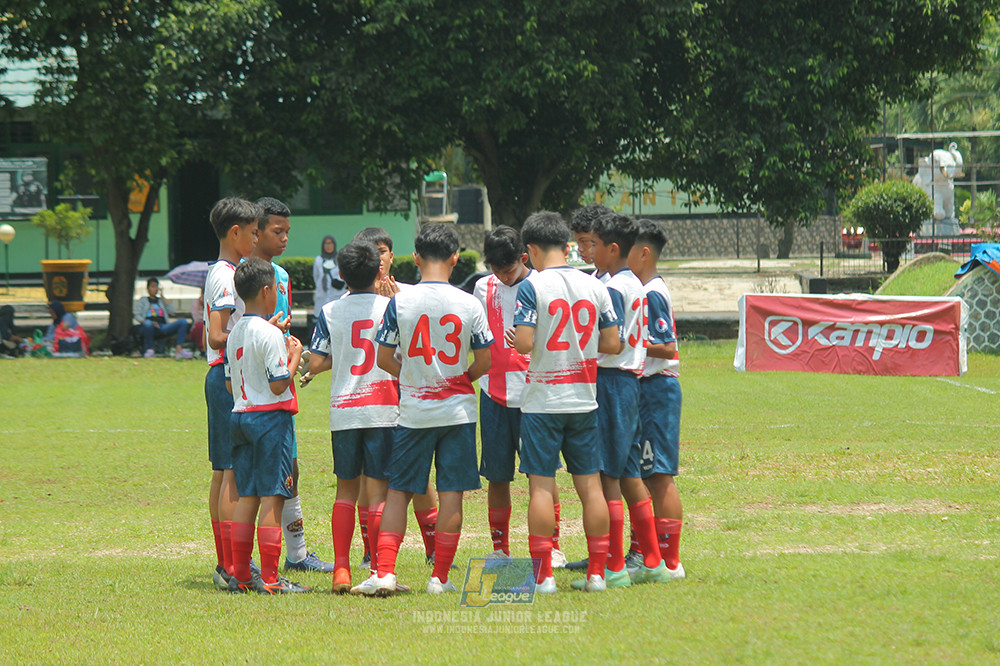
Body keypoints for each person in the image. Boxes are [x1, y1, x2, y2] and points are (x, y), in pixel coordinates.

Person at [355, 223, 493, 596]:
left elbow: (384, 357)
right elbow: (485, 360)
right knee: (451, 493)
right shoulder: (470, 303)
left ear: (415, 258)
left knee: (399, 491)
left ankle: (384, 571)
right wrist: (462, 378)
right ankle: (440, 578)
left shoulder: (401, 301)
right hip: (458, 412)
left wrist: (413, 375)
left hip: (414, 411)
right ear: (456, 259)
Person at [511, 211, 619, 593]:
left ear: (530, 250)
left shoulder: (532, 286)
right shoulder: (595, 285)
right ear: (567, 245)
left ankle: (544, 577)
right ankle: (597, 574)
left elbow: (524, 343)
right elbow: (612, 343)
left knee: (541, 487)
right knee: (591, 487)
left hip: (543, 402)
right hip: (584, 399)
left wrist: (518, 338)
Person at [305, 240, 399, 593]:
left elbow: (316, 362)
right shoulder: (391, 307)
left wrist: (340, 356)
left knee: (346, 491)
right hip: (383, 409)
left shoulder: (330, 310)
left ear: (341, 274)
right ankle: (378, 568)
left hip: (344, 412)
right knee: (378, 493)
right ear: (378, 272)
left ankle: (341, 569)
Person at [350, 226, 444, 570]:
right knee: (367, 477)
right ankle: (368, 551)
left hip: (404, 397)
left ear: (392, 256)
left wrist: (394, 304)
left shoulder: (410, 295)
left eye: (383, 251)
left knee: (417, 474)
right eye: (371, 252)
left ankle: (433, 548)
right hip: (367, 400)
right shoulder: (352, 297)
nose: (378, 259)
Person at [472, 226, 567, 566]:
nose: (502, 276)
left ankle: (552, 546)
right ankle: (500, 549)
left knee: (541, 475)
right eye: (496, 270)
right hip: (494, 394)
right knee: (497, 476)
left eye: (509, 270)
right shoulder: (482, 287)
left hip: (534, 395)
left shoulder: (542, 286)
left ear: (524, 258)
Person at [252, 196, 334, 574]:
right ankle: (242, 560)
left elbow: (282, 326)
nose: (285, 238)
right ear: (256, 232)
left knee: (290, 470)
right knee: (249, 478)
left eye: (288, 231)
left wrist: (293, 349)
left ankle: (297, 554)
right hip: (253, 386)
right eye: (277, 231)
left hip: (282, 380)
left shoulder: (282, 277)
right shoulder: (242, 275)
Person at [591, 212, 668, 586]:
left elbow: (613, 341)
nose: (590, 253)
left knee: (608, 474)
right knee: (629, 473)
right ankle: (653, 560)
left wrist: (577, 342)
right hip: (631, 381)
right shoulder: (635, 284)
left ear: (612, 248)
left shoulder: (614, 289)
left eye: (594, 245)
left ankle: (615, 565)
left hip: (611, 382)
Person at [224, 257, 310, 594]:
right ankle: (272, 579)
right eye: (275, 289)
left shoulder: (235, 333)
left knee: (247, 496)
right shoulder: (270, 333)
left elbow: (230, 384)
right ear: (265, 290)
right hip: (270, 420)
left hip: (240, 415)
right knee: (273, 496)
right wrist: (294, 356)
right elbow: (278, 384)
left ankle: (242, 575)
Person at [203, 197, 260, 590]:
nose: (256, 240)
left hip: (223, 374)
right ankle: (234, 566)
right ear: (235, 232)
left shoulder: (222, 271)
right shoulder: (226, 276)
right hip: (226, 375)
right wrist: (258, 331)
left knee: (223, 472)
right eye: (253, 233)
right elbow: (216, 333)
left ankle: (228, 564)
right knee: (231, 473)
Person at [627, 219, 686, 581]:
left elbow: (666, 347)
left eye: (627, 248)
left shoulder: (652, 293)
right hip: (646, 389)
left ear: (644, 253)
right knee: (645, 474)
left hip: (657, 389)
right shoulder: (645, 290)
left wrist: (628, 342)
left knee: (659, 475)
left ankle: (671, 561)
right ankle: (647, 554)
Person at [133, 277, 192, 358]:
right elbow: (137, 315)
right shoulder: (143, 300)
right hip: (148, 326)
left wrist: (162, 296)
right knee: (148, 324)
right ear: (148, 288)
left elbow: (171, 310)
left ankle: (179, 350)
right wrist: (147, 322)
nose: (155, 289)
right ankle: (150, 349)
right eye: (152, 286)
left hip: (162, 325)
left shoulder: (161, 301)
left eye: (156, 287)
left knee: (182, 322)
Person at [570, 203, 613, 282]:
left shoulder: (618, 281)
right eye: (578, 242)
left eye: (584, 241)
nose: (580, 249)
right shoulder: (592, 278)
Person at [313, 235, 345, 317]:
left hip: (336, 295)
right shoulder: (318, 260)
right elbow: (316, 276)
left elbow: (344, 276)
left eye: (330, 243)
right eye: (326, 243)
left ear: (334, 245)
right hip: (322, 295)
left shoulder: (339, 259)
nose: (328, 246)